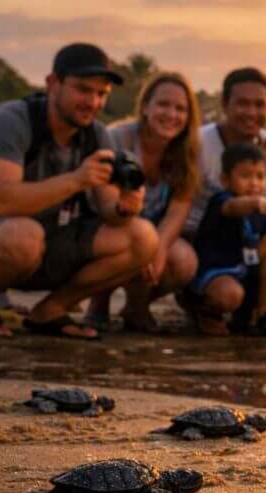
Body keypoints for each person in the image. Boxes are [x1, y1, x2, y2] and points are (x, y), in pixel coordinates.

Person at [0, 43, 156, 339]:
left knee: (142, 237)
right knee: (23, 237)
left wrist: (125, 207)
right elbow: (1, 202)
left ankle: (51, 310)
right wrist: (76, 179)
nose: (93, 102)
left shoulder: (96, 134)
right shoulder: (9, 121)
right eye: (83, 90)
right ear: (53, 83)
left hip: (47, 244)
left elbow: (108, 209)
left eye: (101, 94)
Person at [84, 72, 201, 332]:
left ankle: (136, 306)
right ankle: (98, 301)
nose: (171, 114)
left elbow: (178, 212)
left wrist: (158, 249)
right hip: (109, 223)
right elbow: (102, 203)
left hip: (153, 230)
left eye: (180, 108)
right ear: (145, 106)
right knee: (131, 240)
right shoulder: (117, 139)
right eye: (163, 104)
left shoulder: (188, 151)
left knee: (183, 261)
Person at [187, 142, 266, 337]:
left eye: (260, 177)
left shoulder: (264, 211)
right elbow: (234, 207)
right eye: (245, 176)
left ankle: (263, 315)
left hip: (247, 274)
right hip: (218, 273)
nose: (254, 183)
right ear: (225, 180)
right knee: (230, 295)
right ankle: (205, 311)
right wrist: (255, 202)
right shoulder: (222, 201)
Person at [183, 68, 266, 237]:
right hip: (195, 233)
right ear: (224, 103)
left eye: (259, 105)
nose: (251, 113)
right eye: (243, 104)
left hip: (246, 236)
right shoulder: (198, 143)